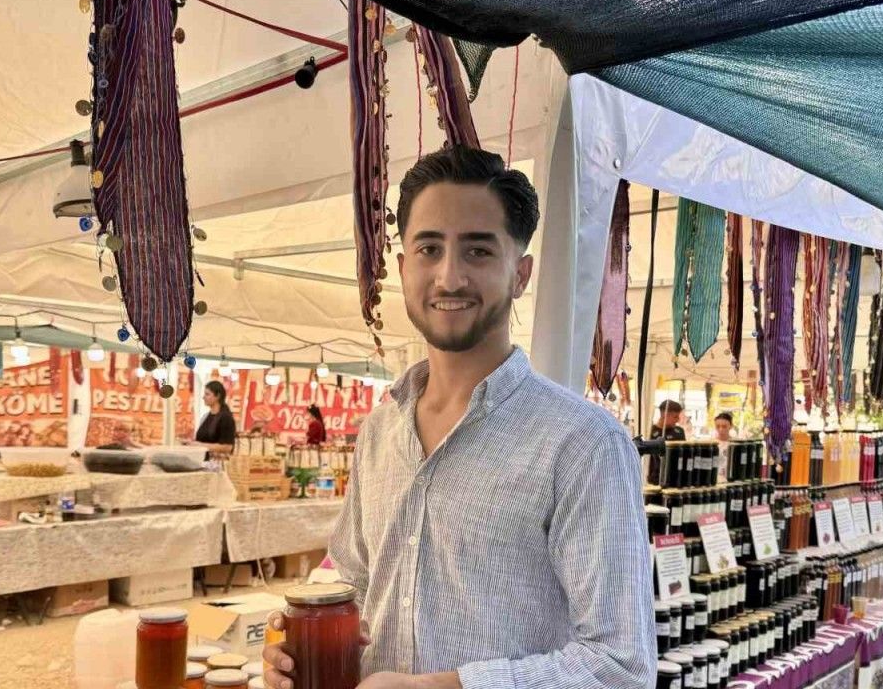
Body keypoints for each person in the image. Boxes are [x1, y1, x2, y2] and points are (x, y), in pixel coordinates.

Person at [263, 146, 653, 688]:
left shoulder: (582, 444)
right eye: (429, 249)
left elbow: (622, 667)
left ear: (521, 274)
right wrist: (303, 635)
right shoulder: (380, 430)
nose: (449, 277)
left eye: (478, 251)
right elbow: (351, 577)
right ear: (404, 268)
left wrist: (441, 687)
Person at [194, 380, 236, 454]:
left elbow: (227, 447)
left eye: (207, 394)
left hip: (217, 460)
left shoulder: (226, 418)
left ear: (218, 396)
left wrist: (199, 445)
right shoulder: (206, 416)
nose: (203, 397)